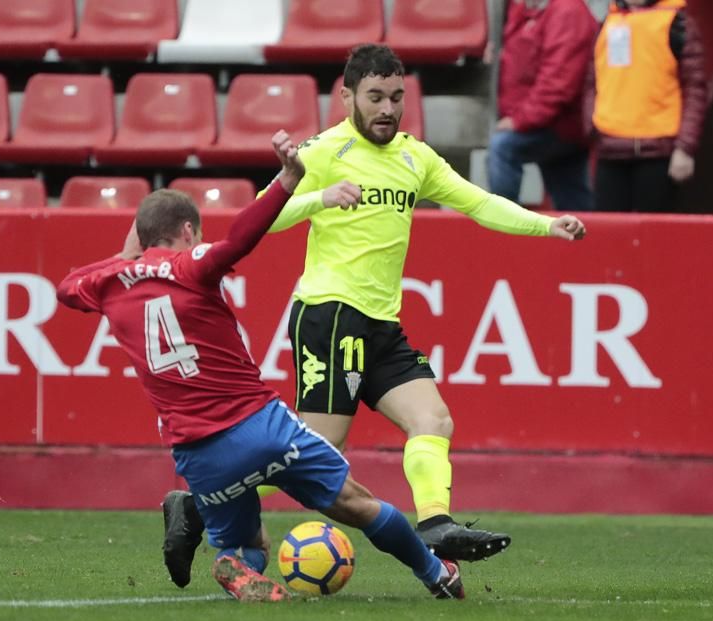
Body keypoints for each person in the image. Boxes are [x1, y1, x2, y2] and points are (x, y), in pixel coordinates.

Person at [161, 44, 586, 589]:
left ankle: (435, 524)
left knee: (433, 420)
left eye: (396, 97)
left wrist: (544, 225)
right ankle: (194, 504)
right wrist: (319, 197)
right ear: (347, 97)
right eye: (375, 97)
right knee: (314, 452)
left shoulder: (416, 157)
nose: (388, 109)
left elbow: (478, 202)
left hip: (381, 324)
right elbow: (261, 216)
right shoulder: (323, 151)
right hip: (331, 314)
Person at [56, 131, 464, 601]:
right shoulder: (192, 265)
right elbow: (240, 239)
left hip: (196, 452)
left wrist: (125, 257)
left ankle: (233, 562)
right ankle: (436, 573)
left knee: (249, 541)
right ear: (188, 232)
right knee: (357, 502)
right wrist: (288, 181)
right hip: (259, 425)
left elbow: (68, 286)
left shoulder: (107, 283)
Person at [583, 0, 707, 212]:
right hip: (610, 151)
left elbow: (695, 89)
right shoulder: (608, 22)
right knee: (609, 238)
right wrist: (592, 126)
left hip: (658, 154)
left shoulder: (677, 24)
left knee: (656, 239)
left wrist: (685, 148)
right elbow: (592, 82)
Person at [487, 0, 598, 211]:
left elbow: (558, 82)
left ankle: (503, 227)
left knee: (502, 146)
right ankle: (587, 241)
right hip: (546, 120)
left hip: (558, 124)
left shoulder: (568, 12)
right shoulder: (531, 9)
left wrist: (520, 120)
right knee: (573, 202)